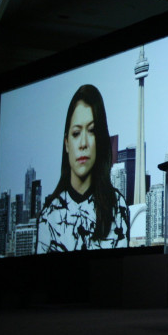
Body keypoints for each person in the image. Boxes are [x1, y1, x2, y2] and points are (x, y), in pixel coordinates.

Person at [37, 84, 130, 253]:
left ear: (100, 140)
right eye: (76, 133)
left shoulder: (117, 206)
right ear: (66, 143)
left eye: (92, 131)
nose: (83, 144)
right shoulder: (50, 214)